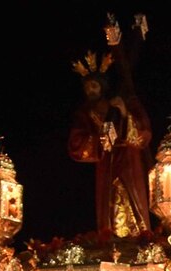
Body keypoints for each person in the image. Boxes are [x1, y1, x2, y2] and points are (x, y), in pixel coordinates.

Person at [68, 17, 152, 238]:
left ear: (102, 86)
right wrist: (100, 141)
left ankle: (142, 239)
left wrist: (125, 115)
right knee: (109, 210)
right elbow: (76, 145)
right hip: (107, 165)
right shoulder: (84, 114)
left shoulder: (124, 101)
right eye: (87, 87)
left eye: (95, 85)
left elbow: (145, 134)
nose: (91, 90)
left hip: (130, 162)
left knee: (135, 207)